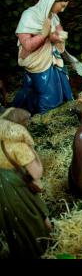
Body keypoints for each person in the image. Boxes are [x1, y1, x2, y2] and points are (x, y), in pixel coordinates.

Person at [13, 0, 73, 115]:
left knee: (61, 85)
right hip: (37, 62)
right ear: (51, 1)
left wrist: (58, 36)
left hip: (52, 58)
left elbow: (59, 33)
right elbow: (28, 46)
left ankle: (60, 112)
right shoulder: (29, 15)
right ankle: (45, 118)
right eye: (61, 6)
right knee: (48, 95)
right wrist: (44, 35)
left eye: (64, 7)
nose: (62, 10)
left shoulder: (53, 16)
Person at [0, 107, 52, 259]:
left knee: (12, 223)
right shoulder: (18, 145)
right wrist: (32, 149)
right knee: (32, 216)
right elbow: (37, 173)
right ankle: (40, 248)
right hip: (16, 187)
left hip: (2, 187)